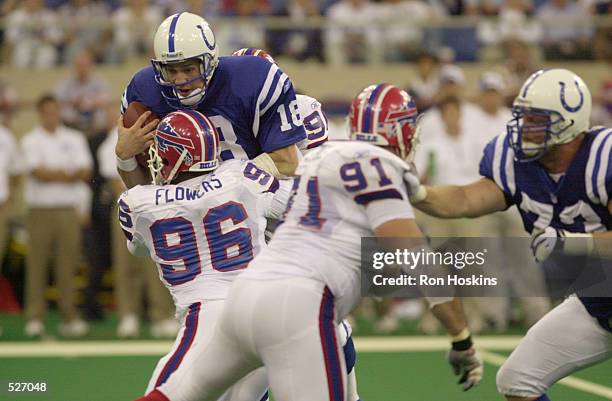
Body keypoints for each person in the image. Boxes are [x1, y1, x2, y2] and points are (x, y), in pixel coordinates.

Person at [142, 84, 483, 401]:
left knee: (174, 395)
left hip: (245, 294)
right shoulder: (379, 167)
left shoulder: (321, 158)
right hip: (300, 305)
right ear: (402, 132)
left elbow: (442, 200)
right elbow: (416, 257)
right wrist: (461, 337)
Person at [406, 68, 612, 401]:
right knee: (517, 381)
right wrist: (418, 193)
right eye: (522, 117)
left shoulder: (603, 157)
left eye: (536, 120)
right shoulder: (515, 162)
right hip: (597, 302)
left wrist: (572, 243)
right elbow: (467, 198)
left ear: (570, 122)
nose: (524, 128)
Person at [121, 109, 290, 401]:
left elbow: (137, 247)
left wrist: (123, 158)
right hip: (267, 310)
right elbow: (300, 203)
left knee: (161, 395)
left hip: (210, 317)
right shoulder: (240, 176)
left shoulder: (137, 203)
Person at [115, 12, 306, 189]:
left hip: (260, 196)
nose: (180, 80)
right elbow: (142, 189)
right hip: (190, 205)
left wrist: (219, 187)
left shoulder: (252, 79)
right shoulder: (144, 92)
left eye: (188, 69)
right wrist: (125, 156)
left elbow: (287, 162)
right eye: (171, 70)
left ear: (210, 62)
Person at [21, 94, 93, 338]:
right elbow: (38, 172)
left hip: (67, 209)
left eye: (55, 111)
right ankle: (35, 317)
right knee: (37, 265)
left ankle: (69, 316)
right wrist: (67, 173)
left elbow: (85, 171)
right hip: (40, 210)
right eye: (47, 111)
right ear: (40, 113)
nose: (51, 116)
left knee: (68, 265)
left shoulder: (74, 138)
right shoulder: (31, 140)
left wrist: (57, 173)